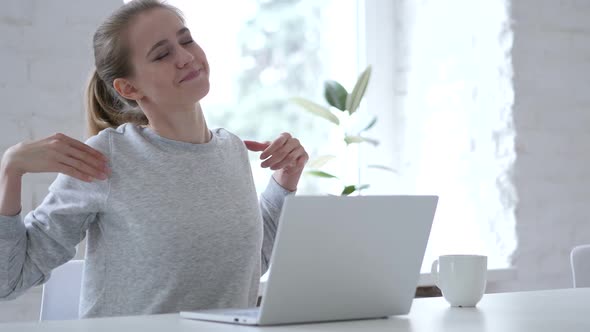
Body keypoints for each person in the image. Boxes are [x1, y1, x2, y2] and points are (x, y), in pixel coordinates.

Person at [0, 0, 308, 319]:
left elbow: (247, 265)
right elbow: (9, 281)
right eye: (162, 54)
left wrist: (284, 183)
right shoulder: (105, 159)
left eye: (186, 40)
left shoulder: (231, 149)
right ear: (129, 87)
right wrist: (12, 169)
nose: (186, 57)